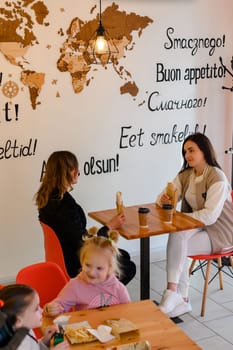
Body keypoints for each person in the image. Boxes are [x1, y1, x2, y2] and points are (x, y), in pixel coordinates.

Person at [156, 132, 233, 318]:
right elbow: (160, 200)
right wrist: (166, 198)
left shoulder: (217, 177)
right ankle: (177, 296)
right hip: (198, 225)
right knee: (177, 236)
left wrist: (183, 217)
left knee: (178, 242)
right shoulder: (186, 175)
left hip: (221, 231)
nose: (187, 155)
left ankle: (177, 296)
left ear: (204, 151)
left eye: (191, 150)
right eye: (184, 151)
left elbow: (210, 216)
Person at [35, 151, 136, 284]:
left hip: (62, 258)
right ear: (70, 171)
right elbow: (83, 243)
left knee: (123, 256)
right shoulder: (65, 205)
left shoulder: (47, 198)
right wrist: (109, 227)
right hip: (75, 263)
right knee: (129, 267)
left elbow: (74, 234)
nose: (78, 172)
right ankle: (96, 299)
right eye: (75, 169)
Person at [44, 229, 131, 316]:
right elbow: (60, 305)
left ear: (109, 269)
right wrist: (51, 309)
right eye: (88, 265)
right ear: (82, 261)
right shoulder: (75, 285)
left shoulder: (118, 289)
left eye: (99, 268)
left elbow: (129, 311)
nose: (92, 272)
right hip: (86, 328)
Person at [0, 284, 69, 349]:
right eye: (36, 309)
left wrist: (44, 342)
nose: (41, 311)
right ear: (18, 321)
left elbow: (33, 347)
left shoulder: (24, 328)